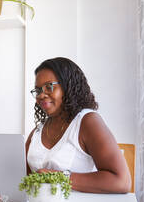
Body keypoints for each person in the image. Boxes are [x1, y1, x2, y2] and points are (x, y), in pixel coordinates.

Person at [26, 57, 131, 193]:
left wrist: (59, 178)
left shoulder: (88, 121)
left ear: (67, 86)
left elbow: (121, 181)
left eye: (49, 87)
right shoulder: (38, 132)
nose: (41, 95)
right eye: (38, 90)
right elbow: (23, 180)